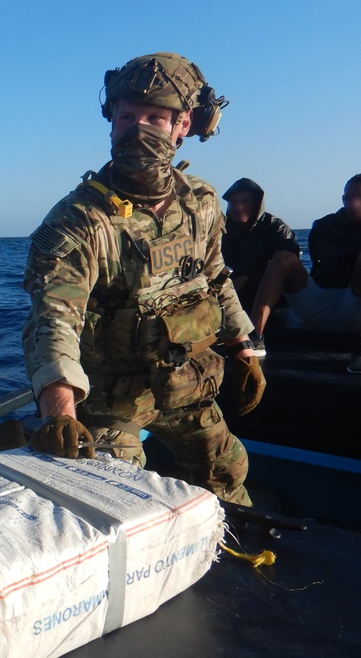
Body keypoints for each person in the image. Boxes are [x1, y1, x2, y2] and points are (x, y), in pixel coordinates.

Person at [22, 52, 265, 506]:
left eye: (155, 117)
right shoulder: (80, 220)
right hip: (110, 399)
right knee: (113, 497)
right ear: (111, 122)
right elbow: (53, 320)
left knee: (228, 467)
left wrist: (242, 348)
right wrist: (59, 411)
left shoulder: (202, 201)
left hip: (185, 383)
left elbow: (215, 277)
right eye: (127, 116)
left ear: (184, 126)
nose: (138, 129)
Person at [250, 173, 361, 374]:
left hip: (360, 307)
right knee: (283, 258)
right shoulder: (324, 226)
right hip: (321, 304)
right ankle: (254, 337)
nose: (354, 204)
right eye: (349, 197)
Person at [221, 177, 301, 354]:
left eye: (245, 202)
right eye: (234, 203)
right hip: (231, 294)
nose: (238, 207)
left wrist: (248, 278)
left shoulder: (276, 228)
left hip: (271, 298)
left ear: (257, 203)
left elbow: (286, 266)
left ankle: (256, 335)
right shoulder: (220, 230)